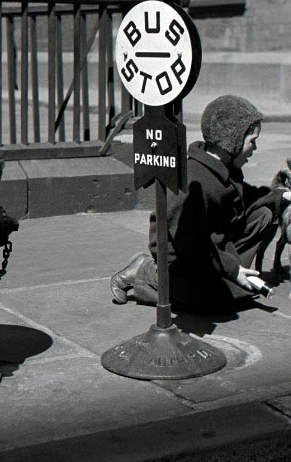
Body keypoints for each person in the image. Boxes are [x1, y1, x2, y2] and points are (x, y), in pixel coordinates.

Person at [109, 95, 282, 313]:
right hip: (182, 254)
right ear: (233, 140)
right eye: (252, 141)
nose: (255, 148)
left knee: (263, 214)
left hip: (212, 245)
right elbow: (188, 243)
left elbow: (246, 197)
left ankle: (229, 277)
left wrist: (280, 196)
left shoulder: (225, 168)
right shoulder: (194, 180)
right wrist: (232, 269)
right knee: (214, 300)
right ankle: (147, 272)